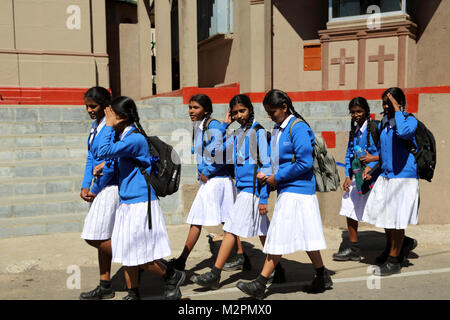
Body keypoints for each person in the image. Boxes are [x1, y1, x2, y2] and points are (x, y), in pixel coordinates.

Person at [236, 89, 332, 299]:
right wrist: (268, 181)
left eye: (272, 112)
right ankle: (322, 275)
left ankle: (261, 282)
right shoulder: (279, 129)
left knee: (277, 234)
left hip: (298, 192)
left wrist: (277, 178)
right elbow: (275, 162)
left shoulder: (297, 128)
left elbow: (304, 163)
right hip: (288, 190)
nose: (270, 116)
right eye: (268, 112)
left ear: (284, 107)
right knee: (307, 238)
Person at [191, 94, 285, 289]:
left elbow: (266, 165)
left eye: (242, 111)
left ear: (250, 109)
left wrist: (264, 198)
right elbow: (215, 153)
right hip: (242, 188)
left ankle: (215, 274)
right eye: (235, 113)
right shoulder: (237, 134)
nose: (239, 115)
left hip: (252, 191)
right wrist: (224, 127)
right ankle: (278, 269)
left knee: (231, 229)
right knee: (263, 232)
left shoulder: (257, 132)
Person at [96, 96, 185, 300]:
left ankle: (171, 275)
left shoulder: (134, 138)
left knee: (141, 254)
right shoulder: (125, 138)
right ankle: (133, 292)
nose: (108, 119)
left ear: (124, 118)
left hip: (141, 202)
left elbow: (103, 151)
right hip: (128, 201)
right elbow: (115, 159)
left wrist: (108, 126)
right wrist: (104, 167)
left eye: (112, 116)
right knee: (127, 252)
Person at [167, 94, 240, 272]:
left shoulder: (212, 125)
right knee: (220, 220)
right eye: (190, 107)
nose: (191, 111)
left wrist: (206, 171)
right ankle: (240, 255)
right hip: (210, 181)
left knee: (205, 220)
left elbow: (225, 152)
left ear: (206, 110)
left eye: (196, 108)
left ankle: (183, 260)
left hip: (217, 180)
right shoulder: (198, 126)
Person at [364, 87, 418, 276]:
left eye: (390, 102)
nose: (385, 106)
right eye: (384, 103)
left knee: (397, 221)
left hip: (403, 178)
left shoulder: (410, 121)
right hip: (387, 176)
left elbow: (403, 133)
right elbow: (384, 152)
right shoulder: (384, 124)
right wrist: (374, 168)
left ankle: (394, 261)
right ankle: (395, 247)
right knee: (384, 216)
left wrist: (397, 109)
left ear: (400, 103)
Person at [79, 87, 119, 300]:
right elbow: (91, 158)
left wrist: (94, 189)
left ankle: (147, 264)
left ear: (105, 105)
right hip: (98, 188)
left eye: (92, 106)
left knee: (93, 236)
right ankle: (105, 284)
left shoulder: (112, 127)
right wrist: (85, 185)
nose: (88, 110)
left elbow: (110, 164)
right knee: (103, 236)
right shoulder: (95, 126)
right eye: (86, 106)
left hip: (109, 188)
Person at [332, 97, 380, 262]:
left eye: (359, 111)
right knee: (348, 204)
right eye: (353, 112)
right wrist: (347, 175)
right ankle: (353, 247)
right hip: (358, 176)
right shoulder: (355, 131)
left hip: (375, 175)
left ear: (366, 111)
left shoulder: (375, 128)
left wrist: (372, 163)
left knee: (381, 210)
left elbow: (385, 152)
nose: (356, 115)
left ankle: (400, 243)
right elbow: (349, 155)